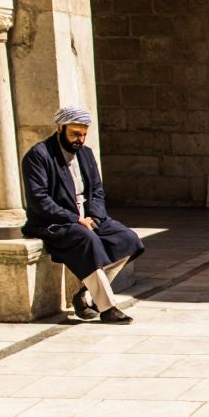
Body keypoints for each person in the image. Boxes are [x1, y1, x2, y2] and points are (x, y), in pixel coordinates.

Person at [21, 106, 144, 324]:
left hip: (88, 218)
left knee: (128, 239)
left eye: (84, 134)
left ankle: (86, 295)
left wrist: (95, 217)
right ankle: (107, 308)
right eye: (75, 134)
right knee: (86, 239)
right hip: (55, 222)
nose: (80, 139)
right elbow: (39, 200)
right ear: (60, 128)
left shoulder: (85, 154)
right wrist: (76, 219)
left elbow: (97, 190)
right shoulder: (38, 155)